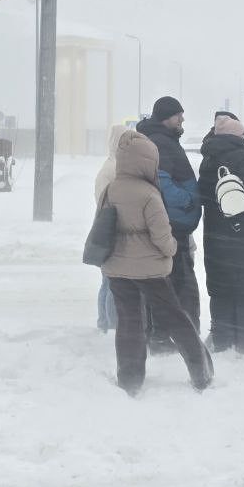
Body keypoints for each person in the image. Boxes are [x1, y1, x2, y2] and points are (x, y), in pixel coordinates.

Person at [102, 129, 213, 395]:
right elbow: (163, 237)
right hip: (150, 270)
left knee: (129, 323)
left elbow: (103, 224)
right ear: (146, 162)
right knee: (176, 318)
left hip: (117, 268)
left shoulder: (112, 188)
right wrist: (173, 248)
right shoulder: (149, 194)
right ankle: (201, 372)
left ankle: (129, 378)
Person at [197, 114, 244, 354]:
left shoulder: (209, 159)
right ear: (235, 137)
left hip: (217, 238)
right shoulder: (239, 156)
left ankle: (224, 340)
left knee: (222, 291)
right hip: (242, 237)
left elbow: (202, 192)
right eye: (243, 134)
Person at [134, 96, 201, 354]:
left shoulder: (161, 139)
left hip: (173, 226)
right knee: (178, 287)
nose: (182, 119)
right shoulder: (161, 142)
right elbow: (161, 183)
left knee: (168, 284)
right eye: (178, 115)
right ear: (165, 117)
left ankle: (164, 336)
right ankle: (171, 340)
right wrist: (186, 202)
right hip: (173, 228)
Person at [94, 124, 129, 332]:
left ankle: (104, 322)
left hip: (107, 228)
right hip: (111, 229)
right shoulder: (113, 168)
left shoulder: (110, 165)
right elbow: (107, 202)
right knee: (112, 281)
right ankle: (109, 323)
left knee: (108, 280)